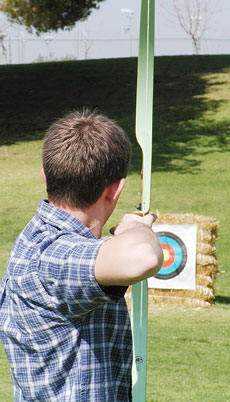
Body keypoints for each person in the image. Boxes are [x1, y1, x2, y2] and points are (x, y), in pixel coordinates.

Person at [0, 109, 163, 402]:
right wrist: (133, 227)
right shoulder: (50, 256)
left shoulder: (49, 239)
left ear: (45, 176)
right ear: (116, 189)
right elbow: (144, 256)